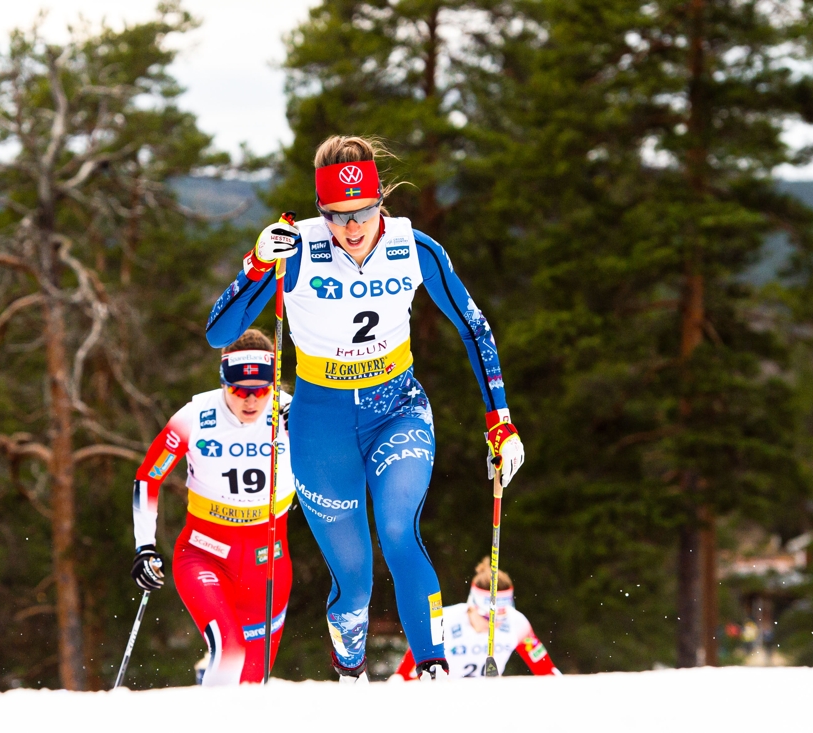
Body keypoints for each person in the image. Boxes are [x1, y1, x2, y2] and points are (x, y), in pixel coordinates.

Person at [206, 136, 524, 682]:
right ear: (321, 211)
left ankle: (433, 670)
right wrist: (257, 264)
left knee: (399, 529)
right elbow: (222, 332)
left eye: (365, 211)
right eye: (337, 215)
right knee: (354, 579)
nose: (353, 228)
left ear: (382, 201)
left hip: (396, 409)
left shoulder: (414, 247)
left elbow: (475, 327)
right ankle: (349, 666)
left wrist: (500, 419)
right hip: (318, 426)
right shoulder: (297, 250)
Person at [130, 329, 294, 686]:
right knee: (230, 651)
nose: (250, 401)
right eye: (239, 391)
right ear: (224, 382)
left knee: (252, 682)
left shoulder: (290, 413)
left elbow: (338, 466)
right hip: (205, 556)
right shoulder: (195, 416)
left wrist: (308, 434)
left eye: (261, 391)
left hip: (268, 566)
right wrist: (145, 547)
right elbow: (148, 478)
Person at [392, 558, 561, 679]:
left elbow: (546, 670)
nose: (493, 624)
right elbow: (405, 674)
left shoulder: (517, 623)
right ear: (472, 606)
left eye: (500, 617)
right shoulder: (446, 620)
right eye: (487, 617)